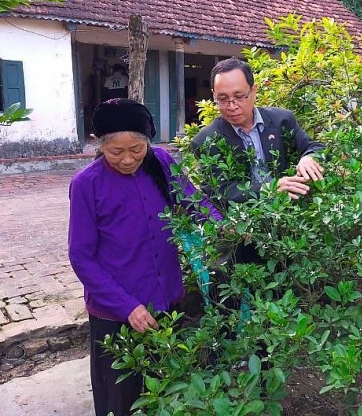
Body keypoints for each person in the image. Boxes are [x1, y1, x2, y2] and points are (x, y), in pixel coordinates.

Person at [68, 98, 221, 416]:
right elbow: (81, 257)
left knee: (167, 388)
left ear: (148, 142)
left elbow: (194, 202)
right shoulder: (86, 184)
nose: (127, 160)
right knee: (123, 399)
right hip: (117, 313)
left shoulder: (161, 162)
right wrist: (128, 307)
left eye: (136, 150)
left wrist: (228, 228)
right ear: (99, 145)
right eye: (116, 152)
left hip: (165, 300)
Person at [191, 57, 325, 262]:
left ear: (253, 91)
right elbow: (220, 191)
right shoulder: (206, 140)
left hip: (290, 227)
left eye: (239, 96)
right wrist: (270, 188)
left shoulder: (282, 120)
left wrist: (309, 157)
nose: (231, 106)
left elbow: (314, 147)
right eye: (223, 99)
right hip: (242, 234)